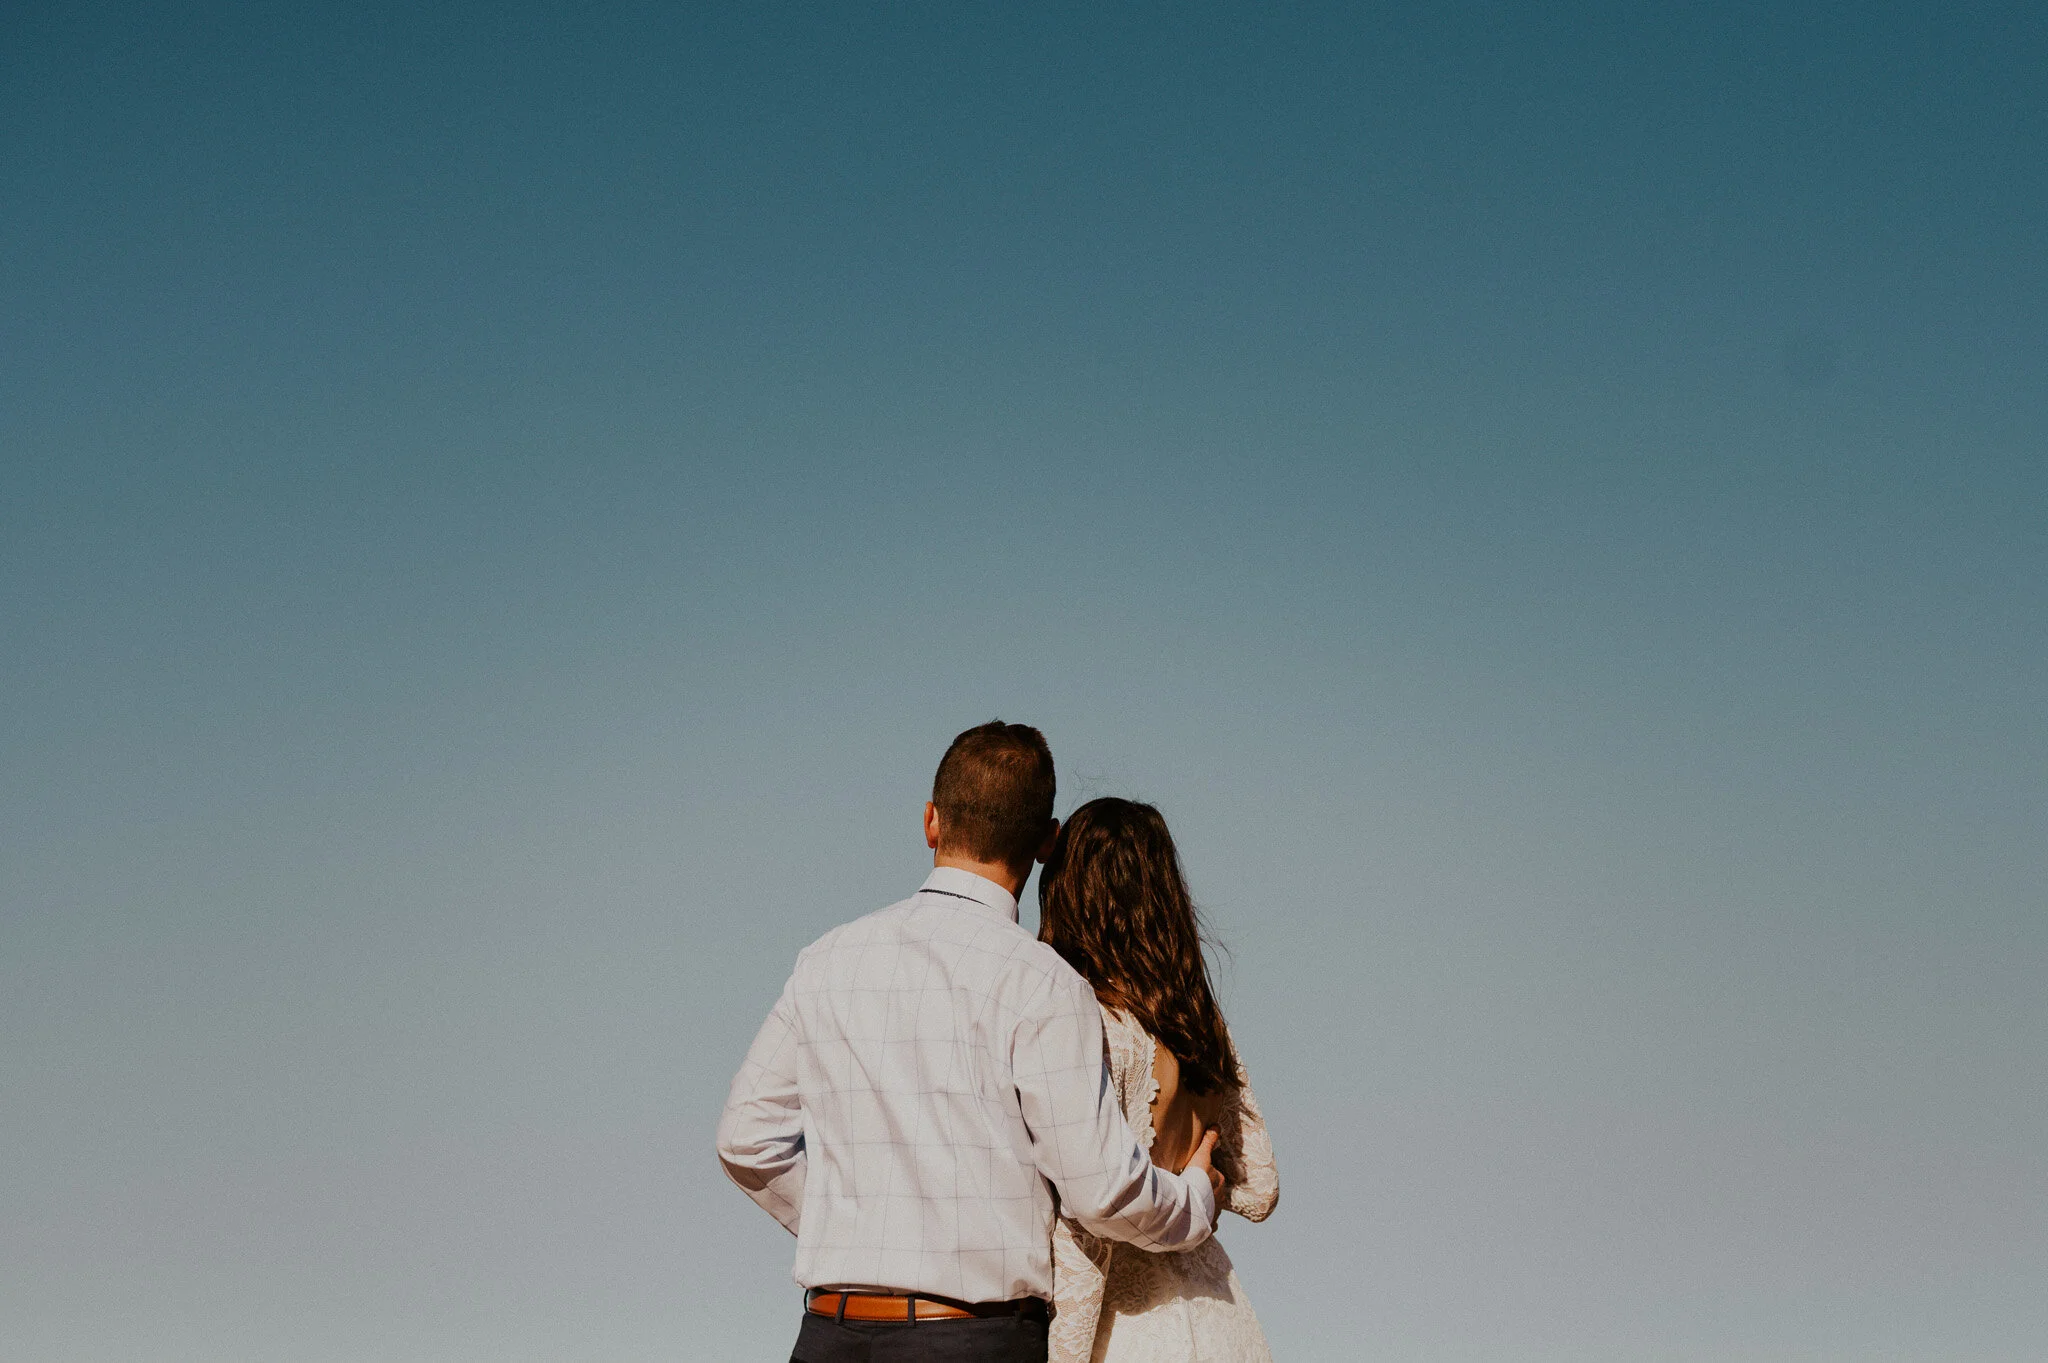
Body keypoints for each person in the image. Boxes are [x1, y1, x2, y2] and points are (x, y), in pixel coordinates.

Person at [718, 722, 1224, 1363]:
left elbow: (744, 1139)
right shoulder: (1044, 985)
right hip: (973, 1337)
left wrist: (857, 1227)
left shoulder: (828, 959)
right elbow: (1102, 1193)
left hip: (830, 1334)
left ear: (931, 821)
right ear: (1046, 842)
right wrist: (1194, 1200)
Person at [1038, 798, 1278, 1363]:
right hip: (1220, 1319)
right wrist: (1198, 1179)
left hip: (1125, 1332)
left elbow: (1089, 1221)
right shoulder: (1199, 1019)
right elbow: (1261, 1185)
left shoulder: (1091, 1024)